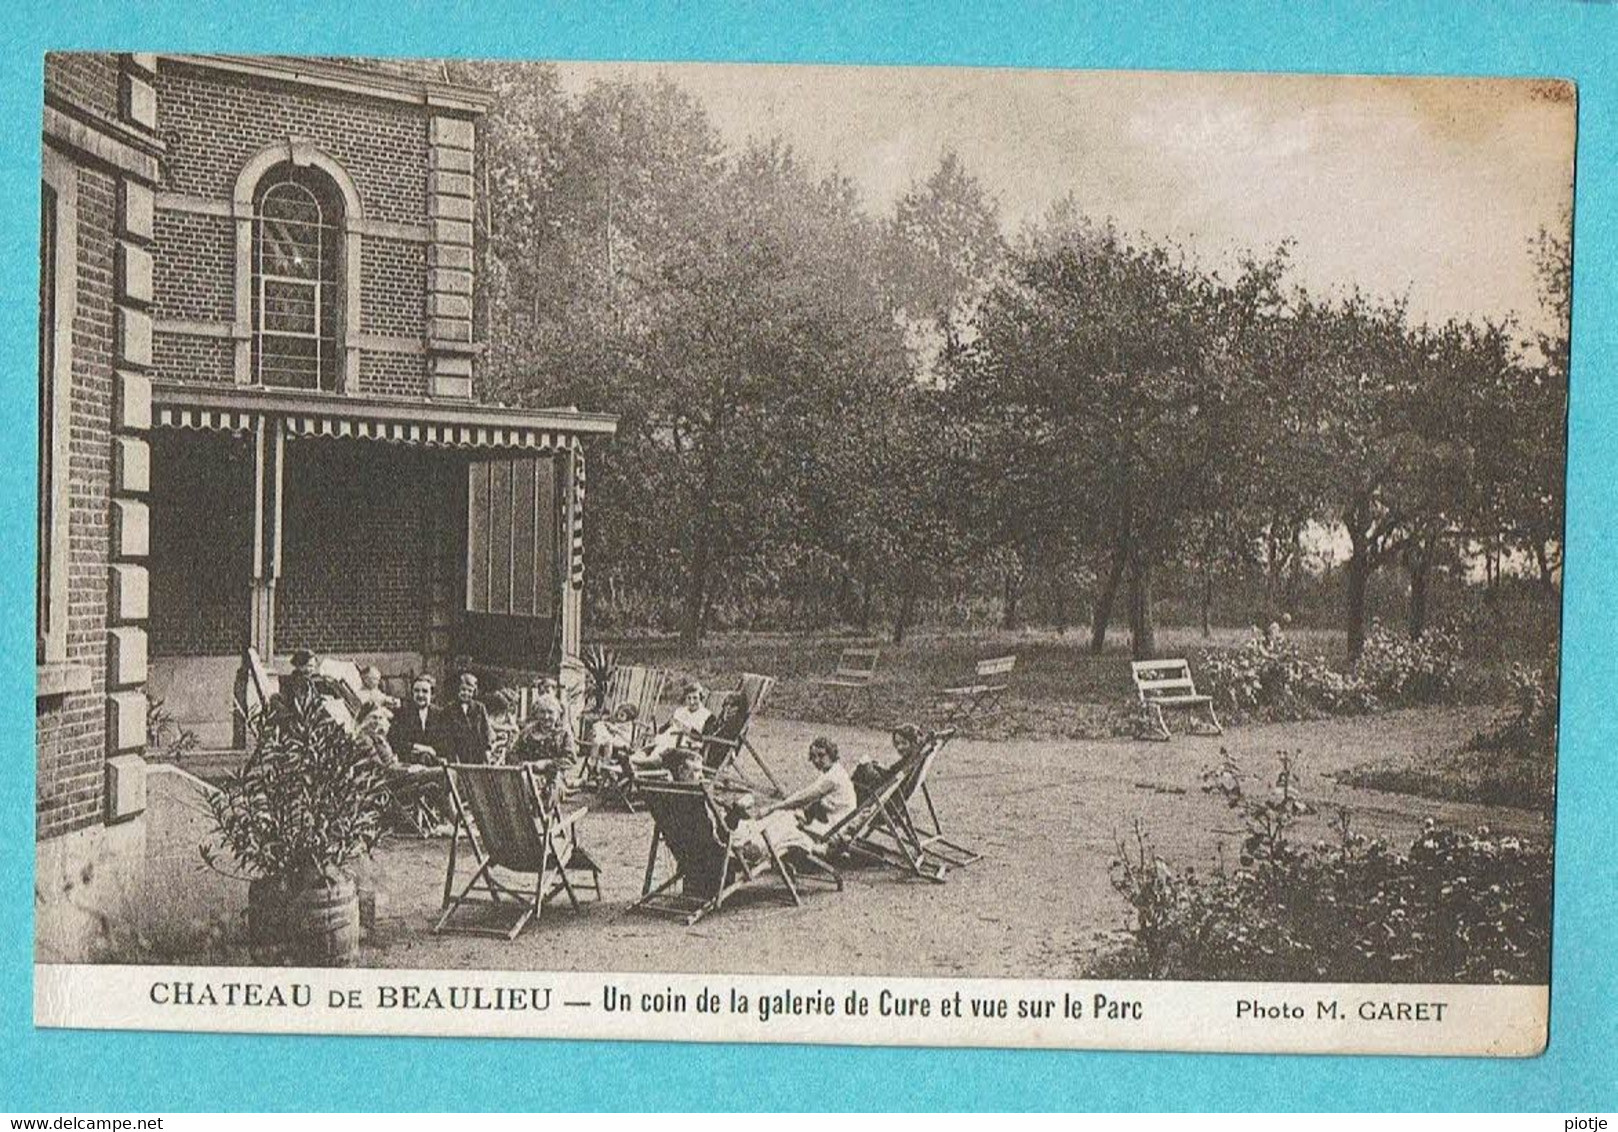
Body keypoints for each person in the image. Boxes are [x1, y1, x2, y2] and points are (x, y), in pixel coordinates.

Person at [733, 737, 857, 858]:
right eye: (813, 756)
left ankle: (757, 845)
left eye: (821, 755)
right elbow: (805, 796)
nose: (816, 760)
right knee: (784, 814)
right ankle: (749, 837)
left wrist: (771, 808)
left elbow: (803, 798)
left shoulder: (833, 777)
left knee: (786, 819)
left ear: (831, 754)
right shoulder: (834, 772)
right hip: (832, 821)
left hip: (834, 829)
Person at [354, 702, 446, 832]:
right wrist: (409, 769)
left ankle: (449, 822)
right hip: (386, 783)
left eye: (380, 718)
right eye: (373, 717)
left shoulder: (378, 736)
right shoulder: (364, 739)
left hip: (396, 777)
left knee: (435, 784)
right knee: (442, 773)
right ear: (364, 719)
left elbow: (392, 763)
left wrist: (411, 766)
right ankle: (454, 822)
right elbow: (380, 768)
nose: (377, 721)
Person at [646, 680, 713, 759]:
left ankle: (652, 760)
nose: (692, 702)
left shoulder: (707, 716)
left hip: (689, 747)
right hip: (669, 742)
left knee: (664, 749)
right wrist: (668, 725)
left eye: (695, 698)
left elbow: (705, 739)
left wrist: (688, 731)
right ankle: (648, 759)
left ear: (701, 698)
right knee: (655, 745)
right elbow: (662, 729)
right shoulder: (680, 711)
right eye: (689, 698)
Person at [388, 674, 444, 766]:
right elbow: (395, 741)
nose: (420, 695)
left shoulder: (440, 714)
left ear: (432, 694)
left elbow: (445, 743)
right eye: (417, 691)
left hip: (435, 765)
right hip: (408, 764)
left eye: (425, 691)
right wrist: (420, 747)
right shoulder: (402, 713)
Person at [439, 671, 493, 764]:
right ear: (458, 690)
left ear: (474, 692)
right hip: (457, 752)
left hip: (476, 753)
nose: (466, 693)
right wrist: (451, 755)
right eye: (463, 690)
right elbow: (446, 734)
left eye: (469, 691)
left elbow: (486, 730)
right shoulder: (449, 709)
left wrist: (487, 749)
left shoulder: (480, 708)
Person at [487, 687, 522, 765]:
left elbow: (515, 729)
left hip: (504, 744)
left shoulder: (508, 716)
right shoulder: (492, 715)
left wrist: (510, 730)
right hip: (492, 741)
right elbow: (490, 724)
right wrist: (506, 728)